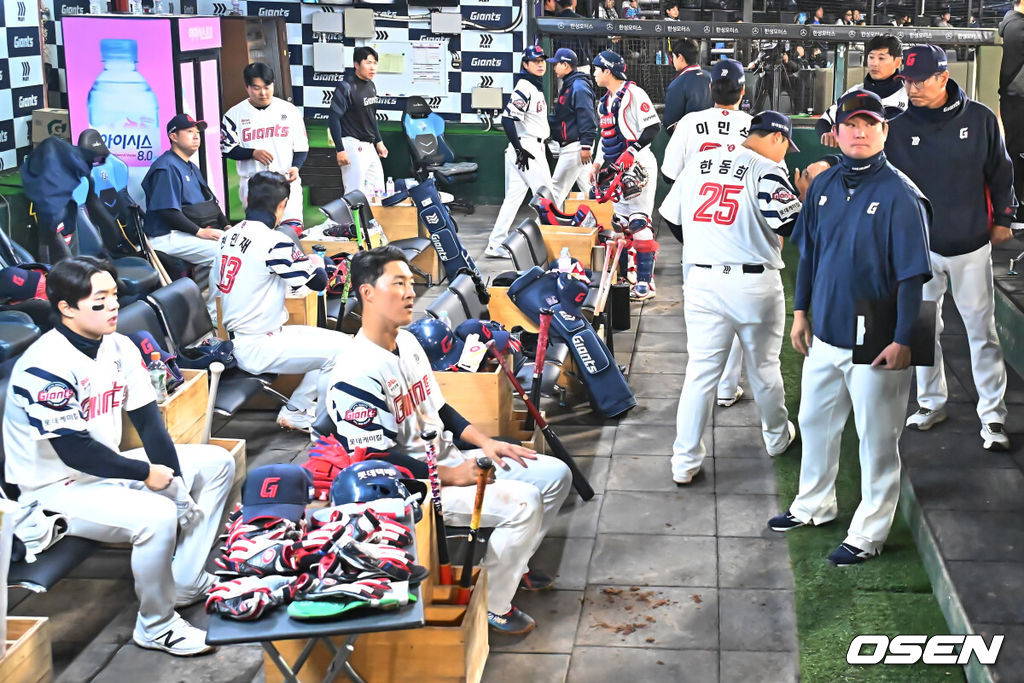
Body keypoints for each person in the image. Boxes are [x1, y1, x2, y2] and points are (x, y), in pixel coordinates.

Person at [322, 246, 572, 634]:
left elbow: (440, 409)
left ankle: (509, 565)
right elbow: (372, 459)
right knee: (525, 502)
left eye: (410, 282)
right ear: (367, 293)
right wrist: (450, 475)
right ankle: (493, 605)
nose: (409, 292)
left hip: (451, 461)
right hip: (414, 486)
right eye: (397, 283)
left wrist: (485, 442)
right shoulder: (355, 372)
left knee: (555, 474)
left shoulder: (406, 342)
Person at [3, 256, 235, 655]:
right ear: (66, 308)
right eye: (100, 300)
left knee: (217, 464)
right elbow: (75, 451)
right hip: (53, 490)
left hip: (103, 470)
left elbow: (149, 424)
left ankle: (185, 581)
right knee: (157, 517)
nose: (113, 305)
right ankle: (156, 625)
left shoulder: (117, 345)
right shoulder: (44, 366)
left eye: (113, 295)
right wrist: (147, 474)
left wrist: (175, 483)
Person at [769, 90, 932, 566]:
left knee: (877, 439)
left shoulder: (902, 193)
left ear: (884, 131)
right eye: (851, 124)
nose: (860, 132)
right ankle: (813, 505)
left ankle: (869, 532)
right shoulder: (823, 184)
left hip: (881, 334)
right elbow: (810, 254)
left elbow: (913, 278)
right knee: (815, 423)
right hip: (828, 331)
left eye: (870, 124)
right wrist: (801, 313)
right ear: (834, 132)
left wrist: (905, 339)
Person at [660, 111, 804, 485]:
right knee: (764, 368)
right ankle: (775, 438)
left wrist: (706, 244)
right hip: (753, 285)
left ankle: (684, 462)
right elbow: (792, 224)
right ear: (776, 137)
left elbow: (672, 219)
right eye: (786, 144)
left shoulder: (699, 162)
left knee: (700, 374)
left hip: (703, 281)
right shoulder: (766, 169)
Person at [885, 45, 1017, 450]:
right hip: (920, 249)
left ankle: (993, 417)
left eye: (919, 80)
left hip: (969, 244)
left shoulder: (979, 118)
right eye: (906, 80)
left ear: (943, 77)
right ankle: (931, 403)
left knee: (982, 333)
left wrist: (1003, 219)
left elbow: (1001, 170)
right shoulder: (896, 124)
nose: (911, 87)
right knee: (924, 330)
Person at [217, 171, 350, 431]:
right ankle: (325, 430)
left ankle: (297, 410)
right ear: (281, 206)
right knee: (343, 353)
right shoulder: (274, 241)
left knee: (344, 345)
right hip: (258, 344)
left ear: (246, 199)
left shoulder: (227, 236)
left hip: (243, 337)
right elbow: (319, 282)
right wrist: (314, 261)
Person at [661, 58, 753, 407]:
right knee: (736, 315)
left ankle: (701, 387)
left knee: (701, 317)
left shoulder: (689, 123)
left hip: (699, 233)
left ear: (711, 89)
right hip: (739, 234)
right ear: (743, 92)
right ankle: (727, 389)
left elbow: (671, 175)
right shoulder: (755, 125)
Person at [141, 113, 226, 322]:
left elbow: (211, 204)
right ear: (173, 137)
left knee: (233, 245)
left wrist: (227, 226)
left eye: (197, 133)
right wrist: (201, 232)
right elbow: (167, 212)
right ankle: (213, 316)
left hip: (186, 233)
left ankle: (219, 308)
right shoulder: (166, 167)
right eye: (189, 132)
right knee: (223, 254)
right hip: (166, 236)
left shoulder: (190, 165)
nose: (196, 136)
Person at [221, 62, 309, 234]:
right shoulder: (234, 114)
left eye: (267, 86)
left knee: (292, 232)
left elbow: (301, 147)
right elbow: (227, 149)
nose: (263, 92)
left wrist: (296, 167)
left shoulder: (289, 111)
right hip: (254, 185)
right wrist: (252, 153)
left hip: (286, 180)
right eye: (256, 87)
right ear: (247, 87)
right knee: (260, 235)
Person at [485, 46, 553, 258]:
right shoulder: (524, 86)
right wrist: (519, 148)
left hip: (530, 146)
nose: (541, 64)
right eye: (535, 61)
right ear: (525, 64)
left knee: (513, 199)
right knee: (546, 197)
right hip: (527, 147)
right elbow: (507, 119)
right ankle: (550, 244)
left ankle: (495, 244)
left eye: (542, 60)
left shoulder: (534, 85)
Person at [590, 50, 662, 218]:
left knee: (639, 223)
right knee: (621, 224)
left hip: (638, 164)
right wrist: (597, 163)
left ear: (607, 71)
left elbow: (653, 127)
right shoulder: (605, 102)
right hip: (615, 167)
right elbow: (606, 136)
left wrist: (632, 151)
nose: (594, 74)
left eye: (596, 69)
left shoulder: (634, 93)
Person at [816, 35, 907, 147]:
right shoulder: (854, 92)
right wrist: (828, 134)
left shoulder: (910, 95)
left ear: (897, 62)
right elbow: (824, 121)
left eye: (881, 58)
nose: (874, 63)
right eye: (871, 57)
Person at [328, 47, 388, 198]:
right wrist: (340, 149)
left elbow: (371, 117)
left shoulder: (371, 85)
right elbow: (333, 118)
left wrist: (379, 141)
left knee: (377, 188)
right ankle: (349, 222)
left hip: (369, 145)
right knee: (354, 192)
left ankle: (370, 221)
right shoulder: (346, 87)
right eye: (368, 62)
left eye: (375, 63)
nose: (373, 67)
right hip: (352, 144)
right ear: (356, 64)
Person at [548, 48, 598, 206]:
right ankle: (605, 222)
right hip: (575, 144)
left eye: (556, 64)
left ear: (565, 65)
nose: (554, 67)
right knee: (589, 189)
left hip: (576, 145)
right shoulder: (570, 84)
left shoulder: (578, 86)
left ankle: (538, 227)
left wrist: (586, 145)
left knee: (555, 188)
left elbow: (587, 116)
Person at [1000, 0, 1024, 226]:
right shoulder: (1017, 26)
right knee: (1018, 156)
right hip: (1018, 102)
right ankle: (1017, 213)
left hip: (1016, 100)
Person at [663, 38, 712, 133]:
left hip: (690, 142)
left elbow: (669, 125)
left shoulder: (677, 84)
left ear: (680, 57)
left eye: (673, 57)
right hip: (715, 139)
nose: (672, 61)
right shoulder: (712, 77)